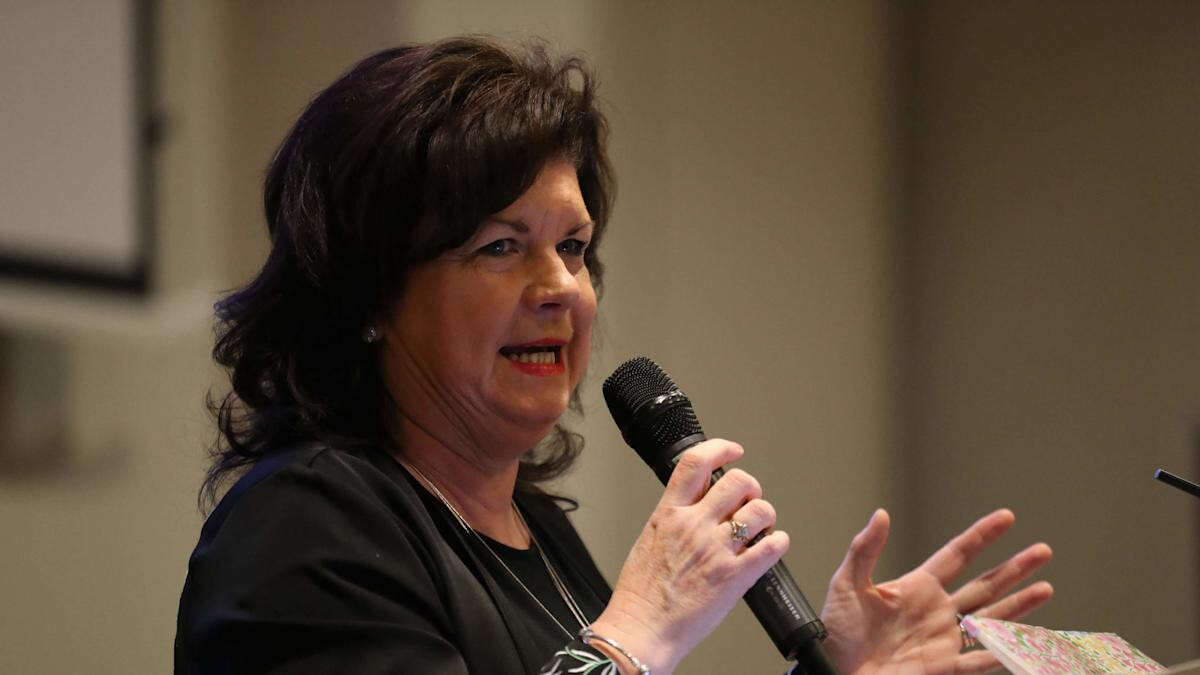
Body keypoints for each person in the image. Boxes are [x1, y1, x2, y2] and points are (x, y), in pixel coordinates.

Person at [175, 37, 1053, 675]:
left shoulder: (542, 538)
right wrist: (638, 626)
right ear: (369, 292)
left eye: (575, 246)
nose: (561, 285)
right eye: (500, 246)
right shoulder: (303, 525)